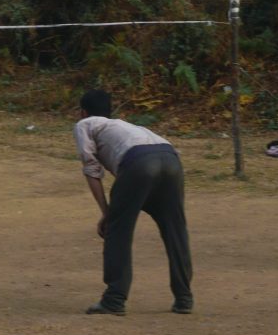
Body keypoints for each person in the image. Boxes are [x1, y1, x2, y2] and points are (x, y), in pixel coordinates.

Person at [73, 90, 193, 316]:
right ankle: (184, 298)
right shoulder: (125, 125)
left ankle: (114, 300)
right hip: (171, 159)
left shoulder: (85, 124)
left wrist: (107, 212)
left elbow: (91, 169)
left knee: (118, 230)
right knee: (175, 230)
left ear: (83, 112)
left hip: (139, 163)